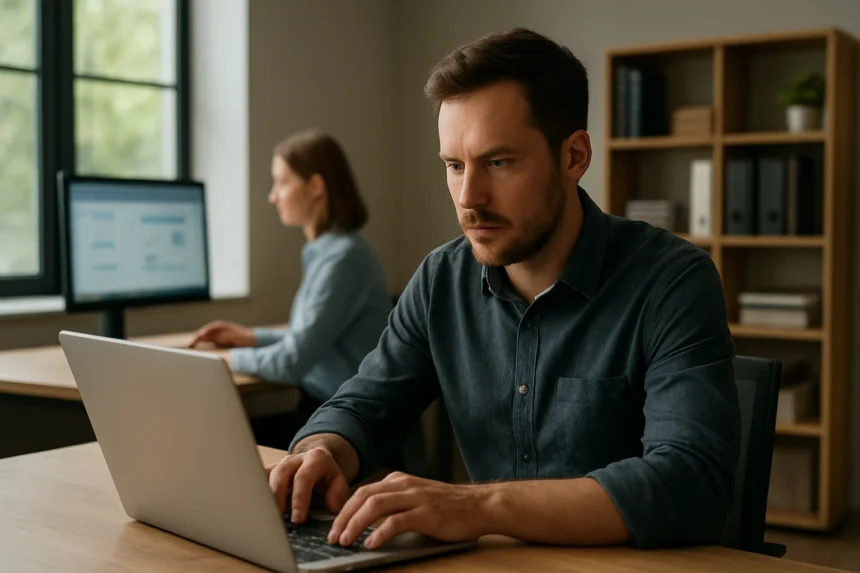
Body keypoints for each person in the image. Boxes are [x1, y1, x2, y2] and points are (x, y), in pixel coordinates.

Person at [266, 29, 741, 551]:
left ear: (574, 156)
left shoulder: (672, 281)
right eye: (453, 166)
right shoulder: (441, 280)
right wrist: (322, 450)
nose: (469, 197)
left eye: (498, 162)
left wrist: (478, 505)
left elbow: (690, 482)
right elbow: (362, 406)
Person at [189, 128, 392, 444]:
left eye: (282, 182)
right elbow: (314, 337)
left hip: (345, 420)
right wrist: (250, 337)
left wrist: (224, 360)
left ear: (315, 186)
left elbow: (291, 363)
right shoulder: (329, 252)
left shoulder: (344, 259)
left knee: (211, 441)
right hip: (327, 407)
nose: (273, 196)